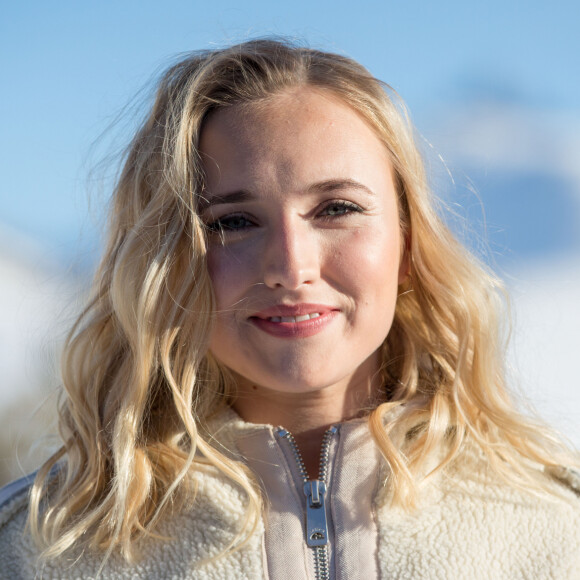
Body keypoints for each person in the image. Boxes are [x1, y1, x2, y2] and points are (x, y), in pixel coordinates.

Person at [0, 38, 579, 580]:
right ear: (167, 261)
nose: (292, 265)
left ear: (408, 242)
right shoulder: (41, 545)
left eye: (336, 209)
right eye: (232, 221)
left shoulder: (555, 528)